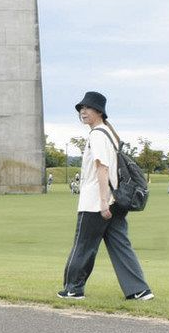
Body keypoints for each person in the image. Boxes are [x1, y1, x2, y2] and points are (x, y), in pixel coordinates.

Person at [58, 91, 153, 301]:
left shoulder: (97, 135)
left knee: (83, 245)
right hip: (116, 200)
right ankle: (139, 289)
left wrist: (102, 203)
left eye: (87, 108)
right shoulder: (109, 134)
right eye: (81, 108)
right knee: (121, 245)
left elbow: (102, 168)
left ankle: (73, 288)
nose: (83, 111)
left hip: (97, 202)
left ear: (98, 112)